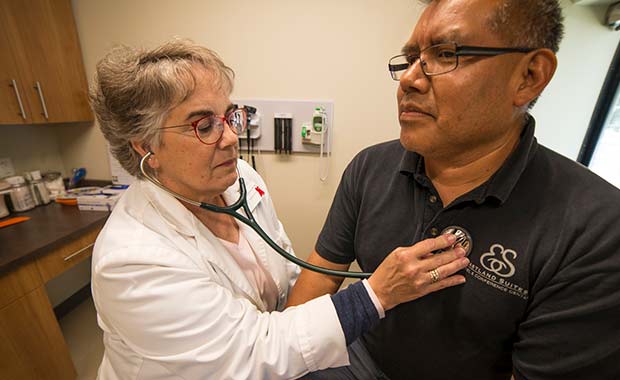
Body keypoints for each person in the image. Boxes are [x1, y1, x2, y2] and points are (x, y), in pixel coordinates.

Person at [89, 39, 470, 380]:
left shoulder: (239, 179)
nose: (230, 137)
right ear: (145, 147)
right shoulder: (132, 261)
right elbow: (253, 352)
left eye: (229, 116)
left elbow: (286, 280)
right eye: (204, 125)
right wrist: (377, 294)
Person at [288, 1, 620, 379]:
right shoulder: (369, 167)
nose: (410, 79)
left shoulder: (596, 230)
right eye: (412, 58)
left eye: (446, 54)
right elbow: (321, 277)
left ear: (529, 76)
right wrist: (284, 363)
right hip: (354, 361)